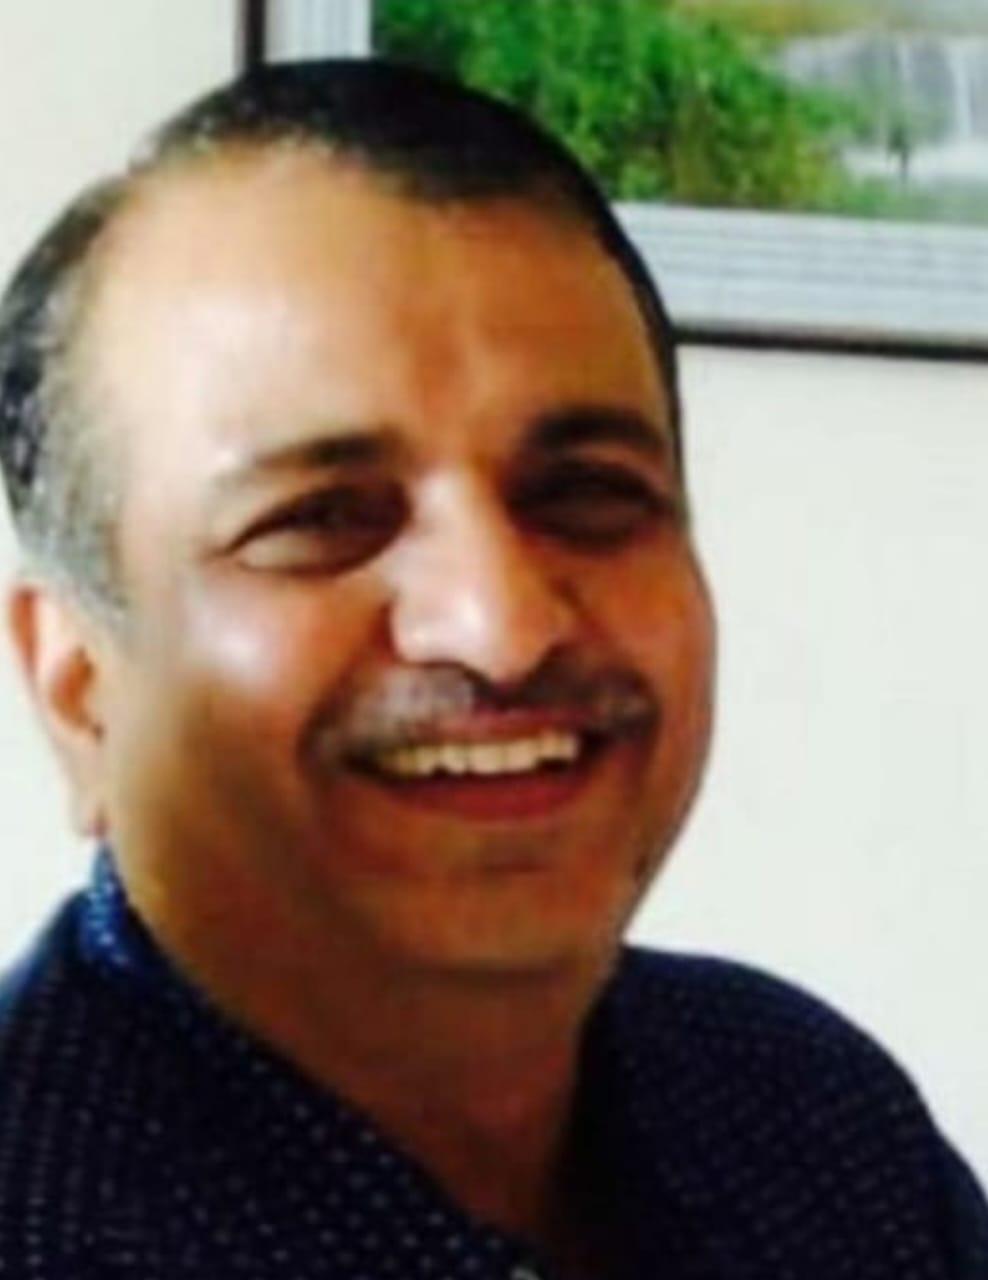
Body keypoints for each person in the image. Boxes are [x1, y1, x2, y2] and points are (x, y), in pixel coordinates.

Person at [0, 59, 984, 1280]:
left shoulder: (812, 1120)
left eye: (584, 493)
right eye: (321, 517)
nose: (501, 624)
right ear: (78, 689)